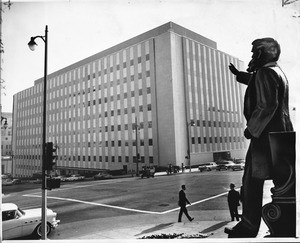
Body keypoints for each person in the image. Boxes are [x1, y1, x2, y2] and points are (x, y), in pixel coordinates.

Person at [225, 38, 293, 238]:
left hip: (264, 137)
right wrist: (239, 75)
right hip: (281, 136)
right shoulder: (277, 73)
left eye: (255, 53)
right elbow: (255, 82)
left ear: (264, 54)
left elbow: (267, 105)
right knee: (283, 183)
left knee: (251, 182)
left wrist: (251, 129)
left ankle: (248, 225)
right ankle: (278, 223)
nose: (253, 57)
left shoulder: (264, 73)